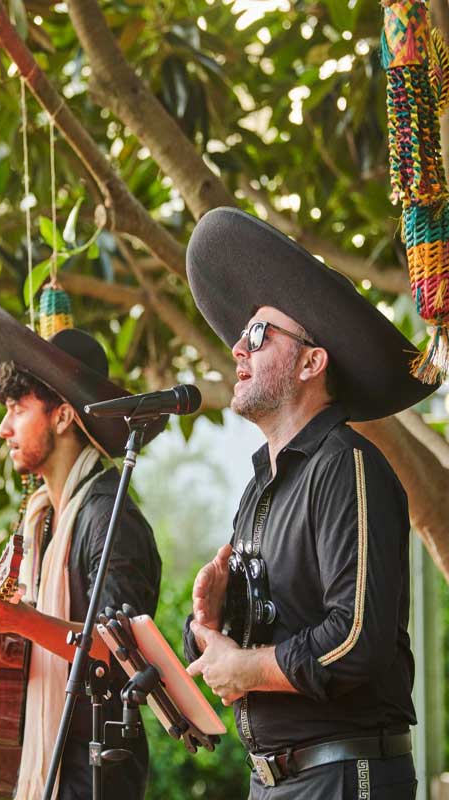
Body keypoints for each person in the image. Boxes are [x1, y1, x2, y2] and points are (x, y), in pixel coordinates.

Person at [183, 207, 438, 799]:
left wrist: (249, 669)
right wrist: (207, 625)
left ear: (310, 361)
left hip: (346, 776)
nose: (238, 352)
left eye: (257, 335)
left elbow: (355, 639)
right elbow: (248, 641)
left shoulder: (348, 466)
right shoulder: (259, 487)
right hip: (272, 779)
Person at [0, 293, 165, 800]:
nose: (3, 429)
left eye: (18, 409)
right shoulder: (41, 523)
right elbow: (43, 648)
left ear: (64, 416)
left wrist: (18, 620)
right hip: (48, 768)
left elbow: (118, 655)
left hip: (95, 776)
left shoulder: (111, 518)